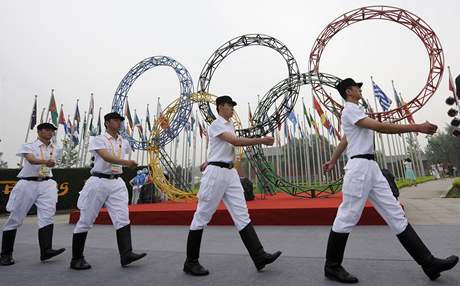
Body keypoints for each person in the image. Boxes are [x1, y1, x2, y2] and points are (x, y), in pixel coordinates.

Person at [322, 78, 458, 283]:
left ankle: (429, 263)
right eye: (357, 87)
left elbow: (345, 139)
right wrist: (416, 127)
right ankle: (332, 267)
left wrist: (332, 161)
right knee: (347, 216)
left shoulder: (355, 112)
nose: (360, 90)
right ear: (349, 91)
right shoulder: (350, 110)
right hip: (359, 169)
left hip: (371, 168)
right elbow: (379, 127)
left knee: (396, 214)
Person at [183, 95, 281, 276]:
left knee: (242, 215)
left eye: (233, 106)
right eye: (230, 106)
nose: (232, 109)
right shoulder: (217, 123)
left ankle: (259, 257)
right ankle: (191, 262)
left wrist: (207, 160)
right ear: (221, 107)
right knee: (202, 216)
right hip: (217, 174)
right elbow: (235, 142)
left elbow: (220, 149)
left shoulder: (228, 126)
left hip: (230, 173)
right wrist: (261, 140)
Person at [70, 112, 146, 270]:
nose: (119, 123)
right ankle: (76, 258)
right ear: (107, 122)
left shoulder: (123, 141)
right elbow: (106, 157)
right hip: (99, 181)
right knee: (86, 219)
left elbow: (126, 154)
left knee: (122, 218)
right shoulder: (98, 139)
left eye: (120, 120)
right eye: (116, 120)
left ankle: (126, 254)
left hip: (117, 182)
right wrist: (126, 162)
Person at [1, 123, 65, 266]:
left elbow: (53, 162)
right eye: (47, 130)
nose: (50, 133)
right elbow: (30, 159)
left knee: (47, 215)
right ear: (39, 131)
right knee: (16, 217)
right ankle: (5, 254)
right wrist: (45, 161)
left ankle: (46, 250)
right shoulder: (28, 146)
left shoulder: (56, 148)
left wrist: (50, 163)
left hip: (47, 183)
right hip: (28, 183)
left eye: (52, 131)